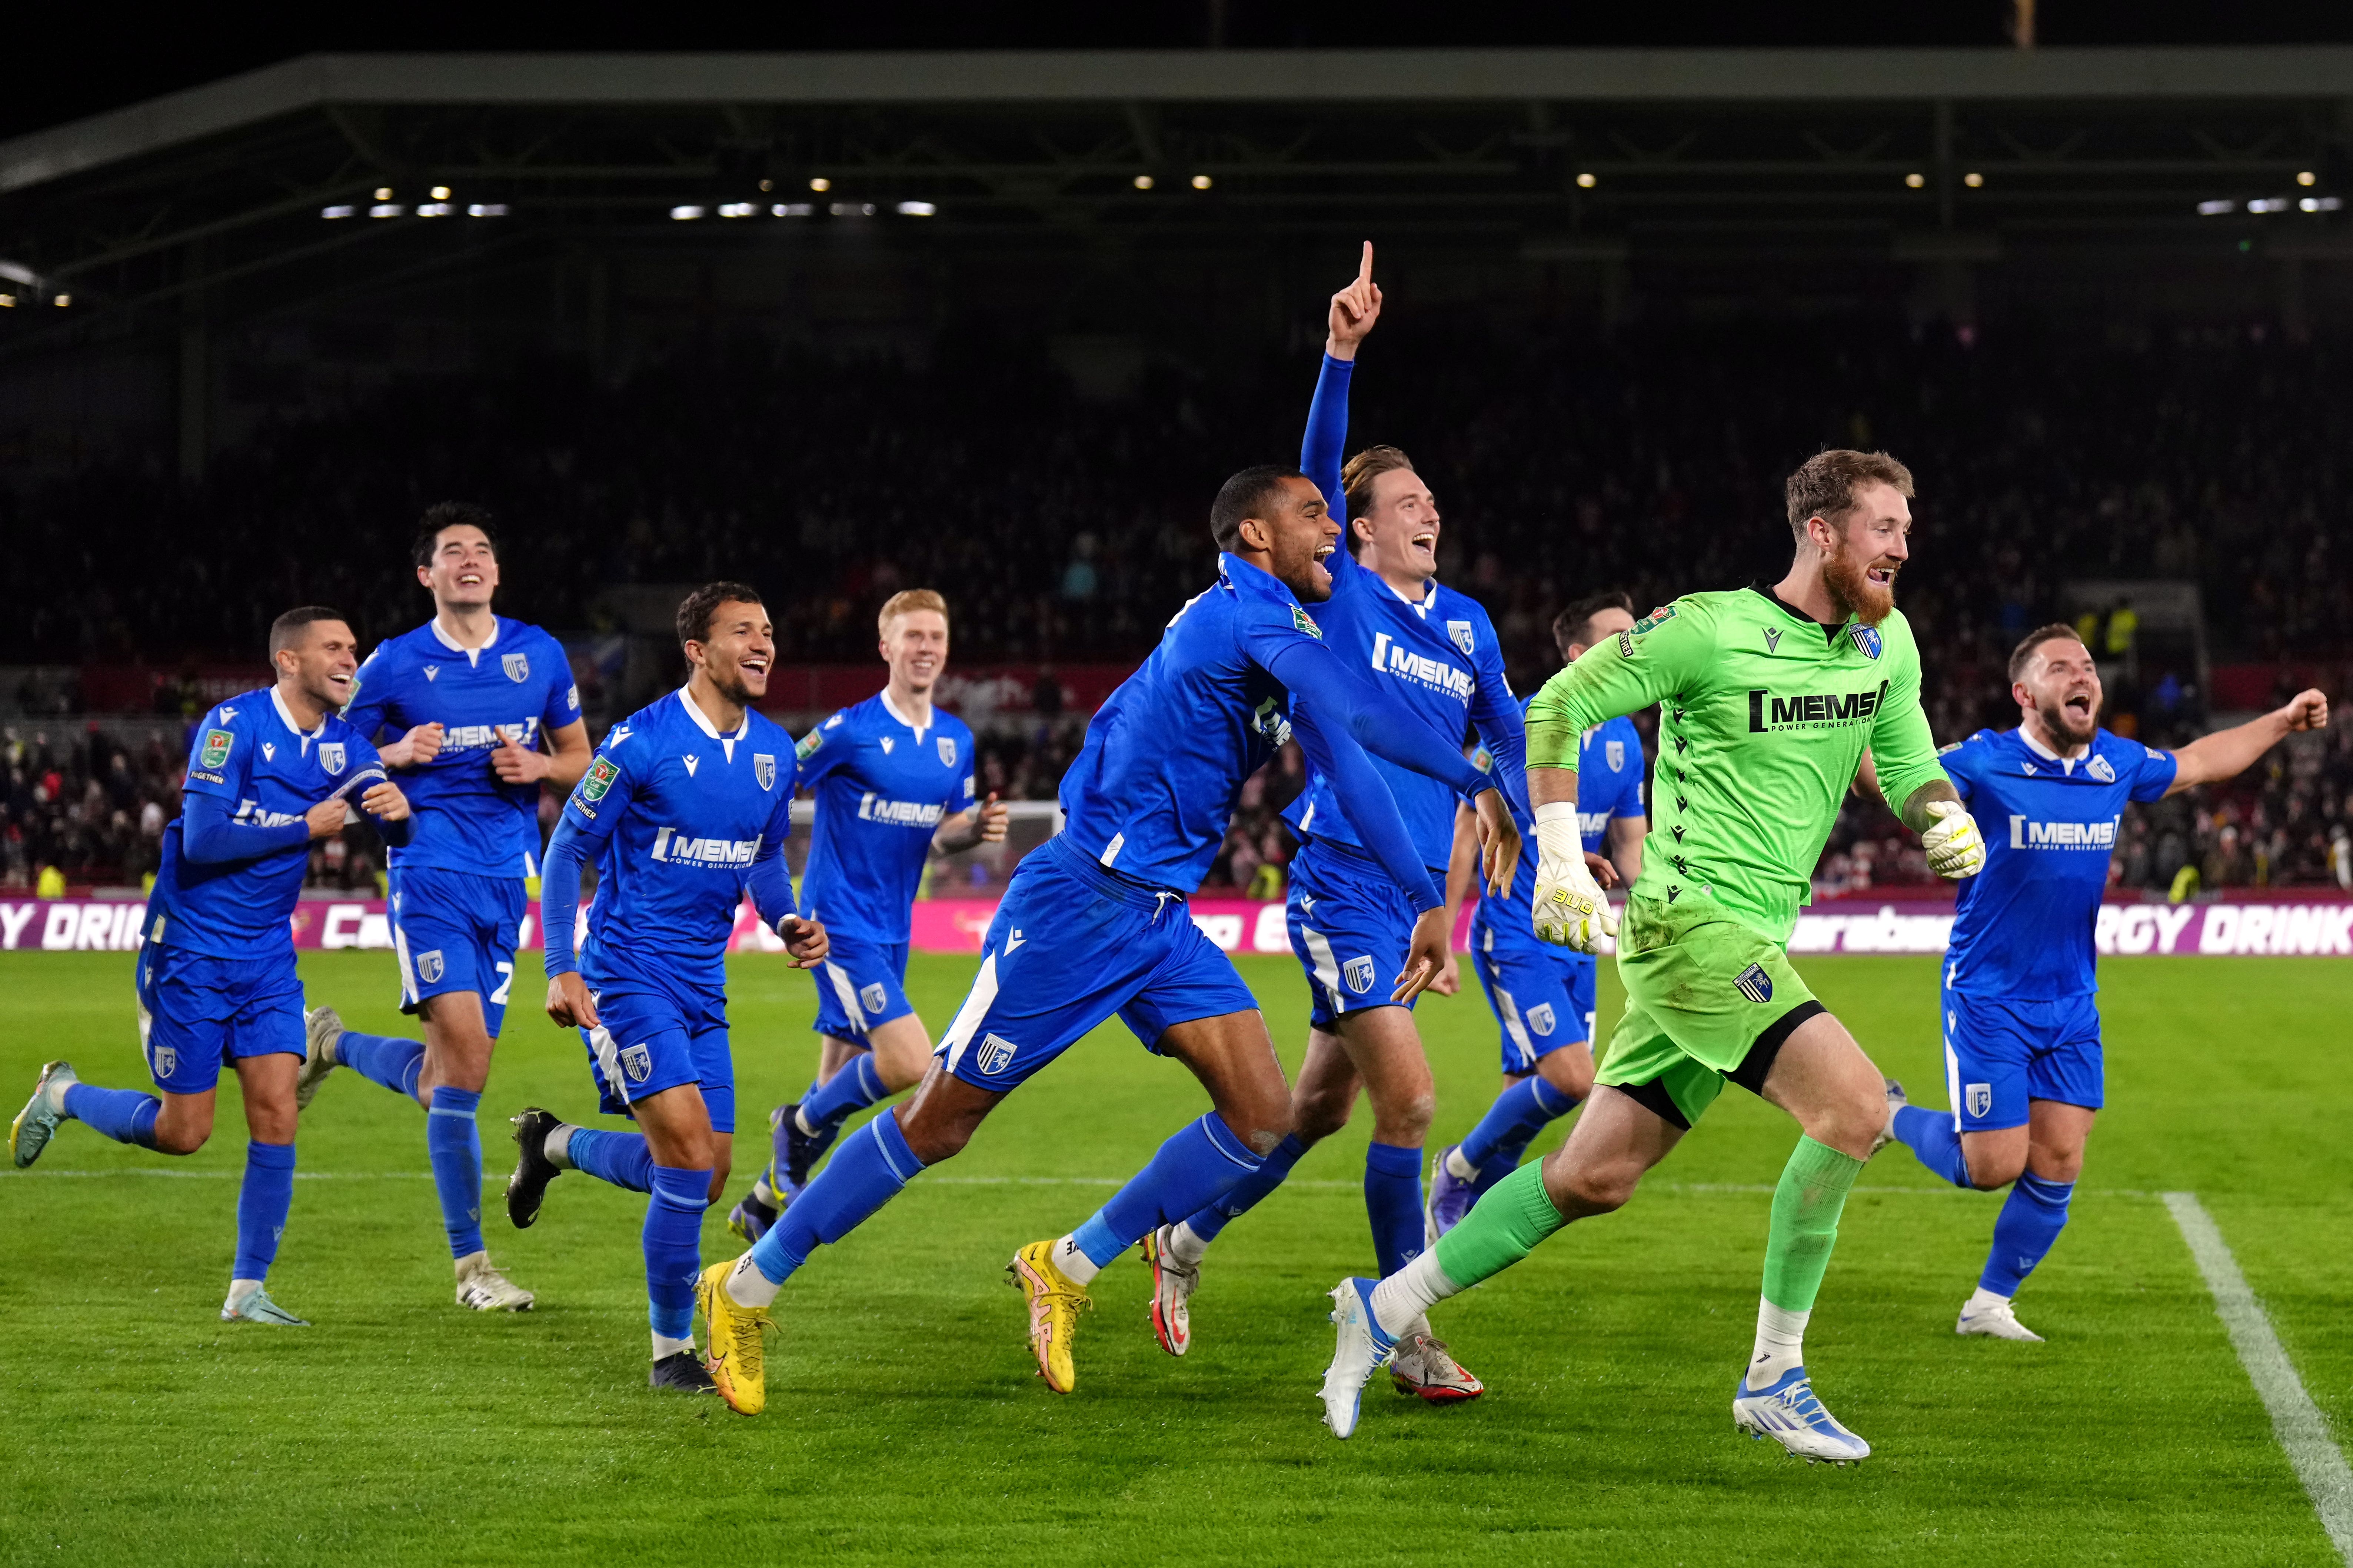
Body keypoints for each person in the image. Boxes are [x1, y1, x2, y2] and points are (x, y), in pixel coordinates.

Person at [692, 464, 1521, 1417]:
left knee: (1261, 1117)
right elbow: (1372, 716)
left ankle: (1069, 1262)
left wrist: (1425, 892)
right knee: (938, 1123)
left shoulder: (1285, 633)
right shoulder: (1238, 615)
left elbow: (1356, 759)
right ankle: (745, 1283)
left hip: (1161, 919)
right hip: (1078, 901)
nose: (1332, 530)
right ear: (1255, 537)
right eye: (1311, 515)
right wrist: (1470, 776)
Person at [1318, 447, 1991, 1461]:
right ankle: (1775, 1377)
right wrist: (1558, 859)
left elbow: (1904, 761)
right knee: (1854, 1109)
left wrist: (1940, 816)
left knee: (1594, 1177)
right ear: (1822, 532)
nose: (1903, 544)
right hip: (1687, 925)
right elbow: (1551, 708)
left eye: (1905, 526)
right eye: (1884, 526)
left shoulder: (1884, 644)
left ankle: (1381, 1309)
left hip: (1755, 933)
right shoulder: (1709, 628)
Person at [1139, 246, 1531, 1404]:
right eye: (1406, 504)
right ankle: (1404, 1331)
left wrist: (1511, 828)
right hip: (1340, 879)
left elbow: (1500, 739)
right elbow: (1315, 464)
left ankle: (1185, 1240)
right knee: (1410, 1100)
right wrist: (1341, 352)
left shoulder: (1467, 626)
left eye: (1432, 503)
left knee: (1311, 1112)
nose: (1430, 513)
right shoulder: (1342, 600)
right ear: (1352, 533)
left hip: (1410, 888)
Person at [1884, 628, 2327, 1340]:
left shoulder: (2114, 762)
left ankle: (1989, 1304)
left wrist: (2280, 720)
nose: (2081, 675)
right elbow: (1896, 776)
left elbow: (2200, 763)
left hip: (2070, 1001)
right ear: (2025, 695)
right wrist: (1842, 743)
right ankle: (1889, 1117)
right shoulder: (1985, 759)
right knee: (1993, 1164)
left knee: (2059, 1158)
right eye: (2060, 668)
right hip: (1989, 995)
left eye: (2087, 665)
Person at [10, 608, 413, 1325]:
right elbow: (201, 839)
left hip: (265, 955)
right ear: (289, 661)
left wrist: (397, 809)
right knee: (184, 1131)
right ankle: (64, 1093)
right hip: (191, 948)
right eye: (334, 647)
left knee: (278, 1111)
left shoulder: (349, 745)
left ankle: (247, 1289)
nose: (351, 657)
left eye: (353, 647)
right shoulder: (233, 726)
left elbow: (389, 822)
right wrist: (305, 826)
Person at [501, 584, 829, 1392]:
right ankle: (669, 1351)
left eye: (769, 630)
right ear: (697, 650)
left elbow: (760, 856)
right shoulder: (638, 744)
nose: (763, 643)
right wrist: (562, 966)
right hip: (624, 973)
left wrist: (785, 920)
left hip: (700, 982)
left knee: (706, 1171)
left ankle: (552, 1144)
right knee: (684, 1156)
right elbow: (565, 852)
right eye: (743, 631)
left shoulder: (775, 753)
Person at [298, 503, 591, 1312]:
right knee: (463, 1070)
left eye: (483, 550)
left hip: (507, 881)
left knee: (445, 1081)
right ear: (426, 574)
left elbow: (580, 761)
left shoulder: (539, 654)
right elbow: (325, 754)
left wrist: (536, 760)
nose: (471, 559)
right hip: (427, 873)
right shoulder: (393, 664)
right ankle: (474, 1270)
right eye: (452, 551)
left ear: (496, 573)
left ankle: (331, 1041)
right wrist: (392, 752)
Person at [725, 589, 1008, 1242]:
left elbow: (943, 835)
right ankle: (792, 1124)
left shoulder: (954, 741)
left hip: (895, 926)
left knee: (836, 1077)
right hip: (838, 921)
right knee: (912, 1061)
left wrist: (976, 829)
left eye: (936, 637)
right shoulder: (849, 730)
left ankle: (761, 1205)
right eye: (913, 637)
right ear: (886, 647)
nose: (926, 648)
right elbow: (773, 780)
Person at [1424, 591, 1647, 1238]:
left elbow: (1629, 846)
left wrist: (1665, 910)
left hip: (1578, 939)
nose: (1634, 648)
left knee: (1524, 1087)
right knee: (1574, 1078)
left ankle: (1475, 1228)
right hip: (1516, 932)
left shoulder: (1625, 740)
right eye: (1618, 637)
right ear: (1579, 656)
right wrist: (1444, 924)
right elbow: (1469, 833)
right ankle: (1458, 1168)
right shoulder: (1519, 727)